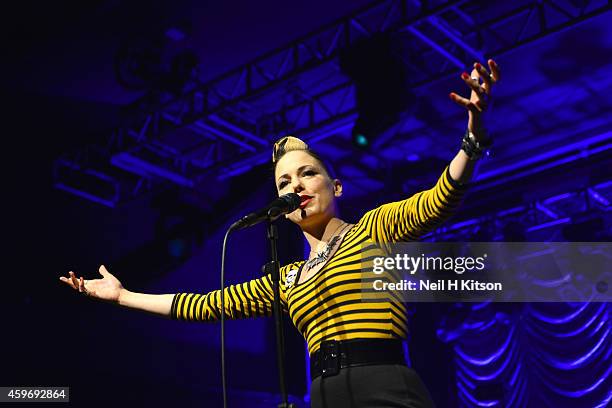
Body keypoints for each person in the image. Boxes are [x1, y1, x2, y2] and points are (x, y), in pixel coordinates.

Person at [60, 59, 501, 407]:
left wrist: (472, 134)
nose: (296, 187)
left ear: (336, 186)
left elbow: (441, 196)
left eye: (307, 174)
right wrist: (123, 296)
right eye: (284, 183)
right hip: (324, 394)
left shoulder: (373, 229)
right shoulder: (286, 278)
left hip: (384, 385)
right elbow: (205, 305)